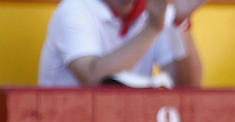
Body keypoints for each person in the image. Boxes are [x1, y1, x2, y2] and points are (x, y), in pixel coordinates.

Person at [38, 0, 202, 88]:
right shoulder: (75, 8)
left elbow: (187, 86)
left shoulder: (155, 8)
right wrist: (152, 29)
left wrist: (179, 23)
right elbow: (93, 78)